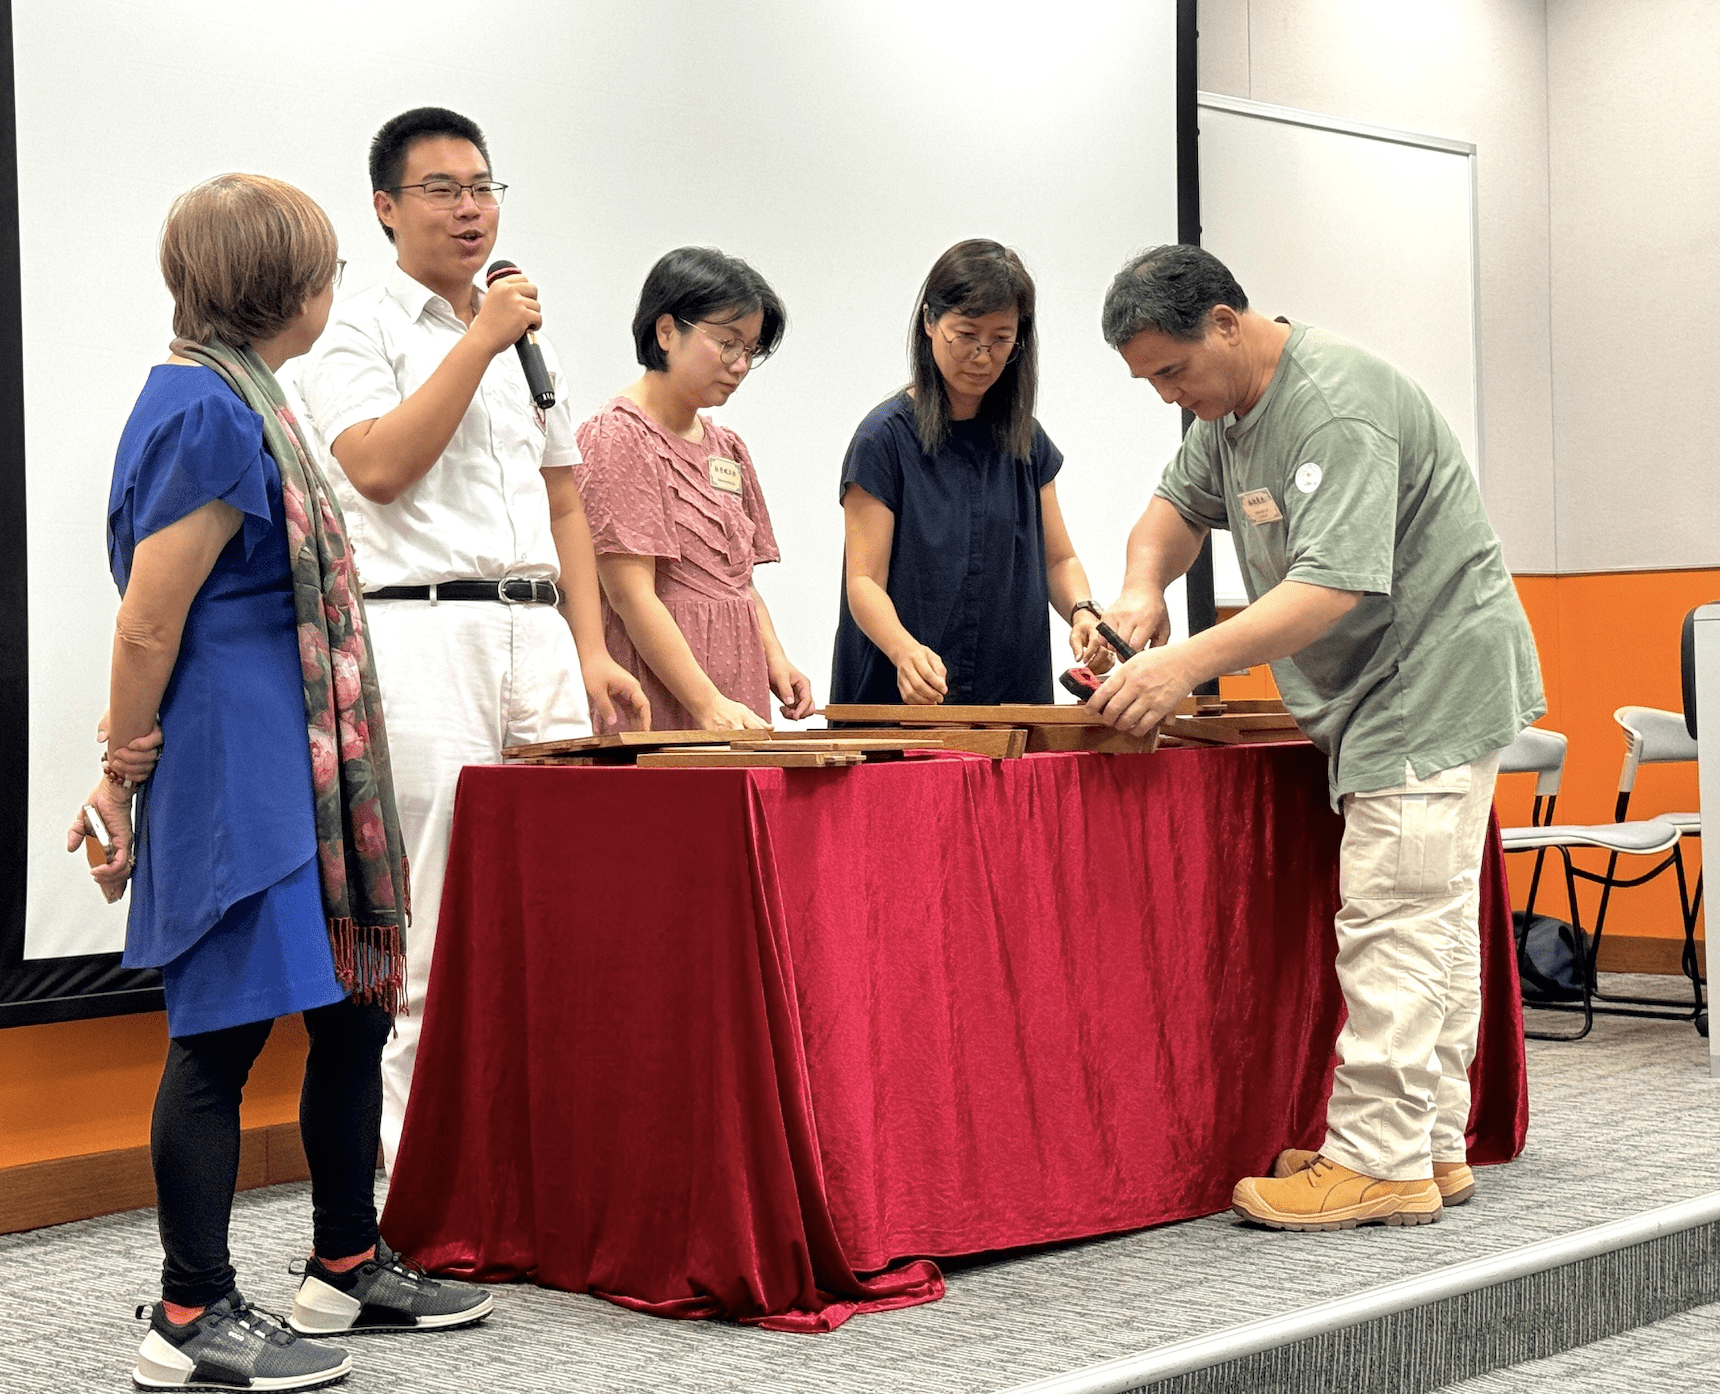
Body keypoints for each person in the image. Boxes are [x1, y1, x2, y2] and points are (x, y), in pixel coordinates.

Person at [70, 174, 491, 1393]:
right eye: (324, 271)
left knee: (353, 1006)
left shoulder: (246, 390)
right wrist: (119, 765)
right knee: (221, 1034)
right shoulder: (207, 407)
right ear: (289, 290)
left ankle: (343, 1260)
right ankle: (189, 1311)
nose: (332, 289)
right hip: (237, 759)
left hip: (303, 750)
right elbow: (151, 622)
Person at [1090, 244, 1544, 1232]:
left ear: (1224, 320)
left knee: (1392, 914)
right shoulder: (1230, 410)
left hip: (1427, 682)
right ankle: (1425, 1143)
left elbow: (1332, 586)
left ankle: (1376, 1159)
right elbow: (1170, 512)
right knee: (1429, 920)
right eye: (1149, 380)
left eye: (1172, 369)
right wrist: (1137, 595)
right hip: (1392, 690)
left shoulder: (1331, 403)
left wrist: (1178, 666)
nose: (1170, 394)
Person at [293, 107, 649, 1171]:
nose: (469, 207)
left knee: (557, 921)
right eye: (442, 188)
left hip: (534, 637)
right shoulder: (364, 329)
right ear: (386, 208)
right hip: (423, 636)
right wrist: (479, 340)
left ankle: (534, 1173)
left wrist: (591, 652)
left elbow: (566, 505)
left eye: (483, 187)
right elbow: (377, 467)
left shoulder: (520, 336)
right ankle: (408, 1199)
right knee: (429, 937)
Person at [830, 238, 1114, 708]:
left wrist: (1083, 611)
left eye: (1001, 340)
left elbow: (1058, 560)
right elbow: (863, 581)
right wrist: (905, 652)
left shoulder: (1026, 439)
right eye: (966, 335)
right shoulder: (883, 439)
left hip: (1010, 688)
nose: (983, 356)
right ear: (928, 321)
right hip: (904, 694)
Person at [574, 247, 812, 731]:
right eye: (727, 343)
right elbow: (628, 593)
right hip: (666, 690)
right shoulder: (619, 435)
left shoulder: (727, 447)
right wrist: (704, 702)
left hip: (733, 694)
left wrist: (776, 658)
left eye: (750, 349)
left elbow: (739, 580)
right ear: (666, 331)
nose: (740, 364)